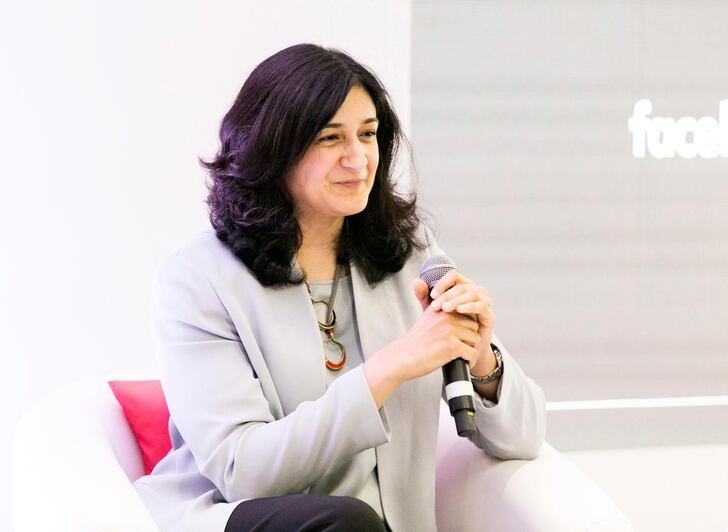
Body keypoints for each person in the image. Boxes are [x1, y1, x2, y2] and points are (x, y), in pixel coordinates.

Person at [133, 43, 546, 532]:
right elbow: (242, 472)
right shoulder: (196, 280)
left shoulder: (411, 253)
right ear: (274, 149)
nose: (358, 159)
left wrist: (481, 357)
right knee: (345, 522)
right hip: (241, 518)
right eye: (331, 139)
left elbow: (524, 439)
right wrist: (391, 366)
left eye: (368, 134)